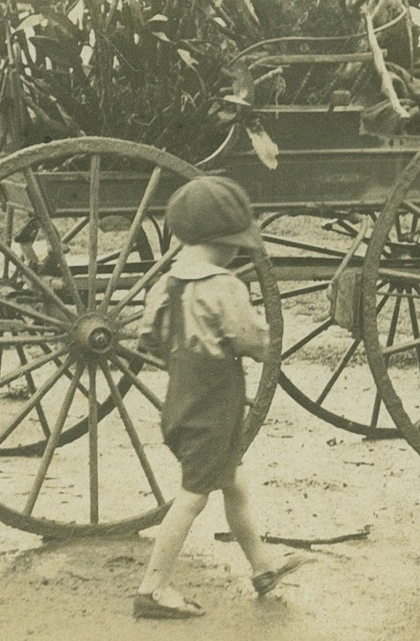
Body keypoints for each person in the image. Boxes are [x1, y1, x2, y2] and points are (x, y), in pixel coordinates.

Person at [132, 174, 312, 620]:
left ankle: (262, 566)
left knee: (234, 484)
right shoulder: (226, 287)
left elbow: (146, 339)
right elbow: (255, 343)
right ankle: (152, 588)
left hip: (181, 404)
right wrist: (264, 337)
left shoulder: (167, 285)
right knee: (193, 496)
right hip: (213, 410)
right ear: (228, 244)